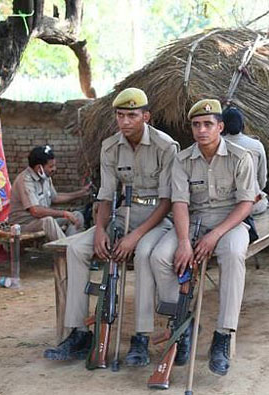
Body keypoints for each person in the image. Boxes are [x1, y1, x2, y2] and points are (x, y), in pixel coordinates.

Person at [43, 88, 179, 362]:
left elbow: (167, 201)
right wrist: (100, 230)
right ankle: (80, 332)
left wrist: (135, 236)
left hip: (157, 220)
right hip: (122, 216)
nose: (125, 121)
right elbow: (106, 195)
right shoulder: (110, 147)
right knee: (76, 249)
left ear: (146, 116)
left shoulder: (167, 147)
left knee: (142, 256)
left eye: (132, 115)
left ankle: (140, 337)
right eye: (120, 115)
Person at [150, 99, 256, 376]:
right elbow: (180, 203)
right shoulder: (182, 160)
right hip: (192, 220)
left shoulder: (240, 156)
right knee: (160, 256)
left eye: (208, 124)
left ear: (220, 127)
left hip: (230, 221)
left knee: (233, 255)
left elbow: (246, 204)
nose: (202, 130)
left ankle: (223, 335)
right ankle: (183, 323)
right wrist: (184, 242)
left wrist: (215, 235)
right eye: (196, 125)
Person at [9, 145, 89, 241]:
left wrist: (80, 193)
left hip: (39, 221)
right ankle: (66, 249)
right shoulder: (25, 180)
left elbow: (55, 197)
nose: (54, 169)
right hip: (23, 226)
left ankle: (72, 245)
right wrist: (64, 213)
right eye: (51, 166)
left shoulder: (46, 177)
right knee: (48, 221)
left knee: (77, 216)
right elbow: (35, 211)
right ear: (39, 168)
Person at [222, 107, 269, 214]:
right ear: (242, 124)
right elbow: (262, 180)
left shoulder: (215, 146)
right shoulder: (256, 145)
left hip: (225, 209)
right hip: (253, 205)